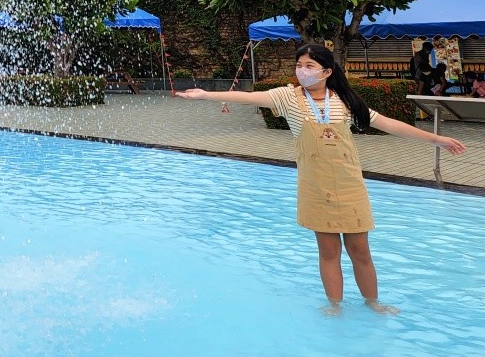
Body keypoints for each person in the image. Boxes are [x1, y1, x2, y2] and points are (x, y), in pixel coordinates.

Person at [177, 43, 466, 315]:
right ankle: (335, 306)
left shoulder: (345, 102)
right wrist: (206, 95)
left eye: (309, 65)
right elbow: (247, 97)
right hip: (315, 187)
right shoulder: (287, 97)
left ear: (327, 72)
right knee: (329, 252)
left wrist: (435, 139)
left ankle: (373, 302)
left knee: (360, 251)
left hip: (350, 185)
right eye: (299, 65)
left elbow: (389, 125)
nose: (302, 70)